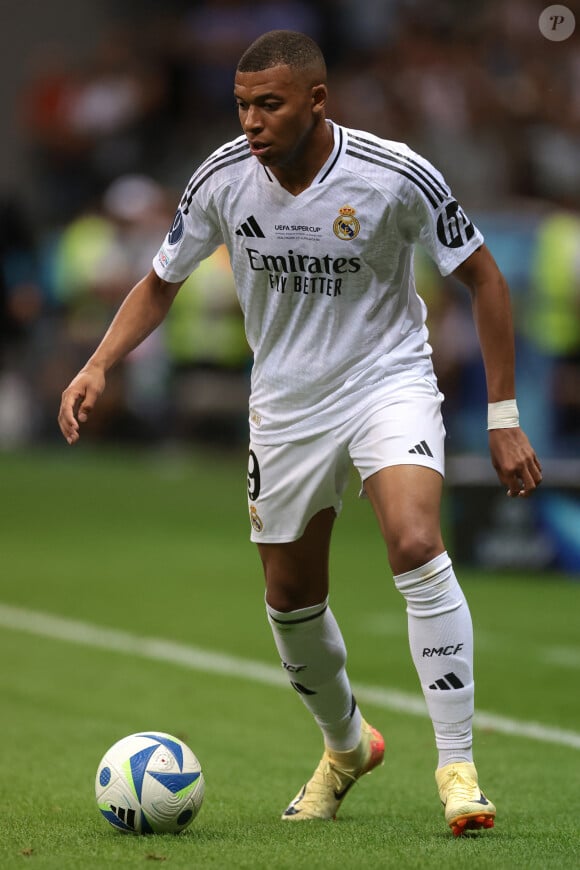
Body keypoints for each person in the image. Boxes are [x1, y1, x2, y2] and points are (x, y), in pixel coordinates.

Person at [58, 30, 542, 835]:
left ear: (317, 101)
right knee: (290, 597)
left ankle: (458, 768)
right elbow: (159, 281)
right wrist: (98, 364)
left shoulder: (394, 175)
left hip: (387, 380)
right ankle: (346, 747)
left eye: (269, 104)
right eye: (243, 104)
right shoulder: (221, 179)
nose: (251, 120)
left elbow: (484, 278)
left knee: (417, 543)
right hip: (285, 404)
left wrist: (502, 417)